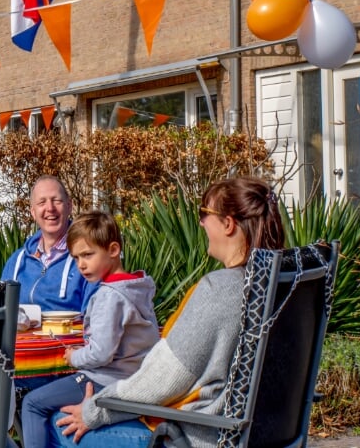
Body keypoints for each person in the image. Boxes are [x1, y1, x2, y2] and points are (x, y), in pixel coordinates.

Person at [52, 176, 286, 448]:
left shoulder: (221, 289)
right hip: (258, 433)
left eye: (204, 214)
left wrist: (94, 410)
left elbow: (163, 381)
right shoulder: (277, 282)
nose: (200, 223)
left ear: (228, 224)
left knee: (57, 422)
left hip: (195, 435)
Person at [20, 211, 159, 448]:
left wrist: (75, 356)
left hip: (108, 379)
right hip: (134, 377)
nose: (81, 265)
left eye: (88, 255)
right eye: (75, 258)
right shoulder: (136, 287)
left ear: (113, 250)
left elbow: (101, 353)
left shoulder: (109, 296)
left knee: (32, 403)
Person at [1, 176, 100, 314]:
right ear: (33, 213)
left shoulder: (88, 257)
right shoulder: (16, 261)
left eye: (57, 200)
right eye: (42, 202)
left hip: (68, 335)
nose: (50, 208)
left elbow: (94, 319)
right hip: (21, 336)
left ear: (69, 206)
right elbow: (2, 313)